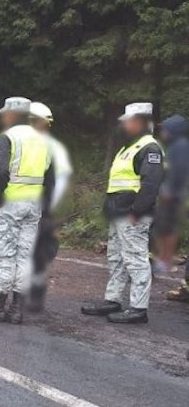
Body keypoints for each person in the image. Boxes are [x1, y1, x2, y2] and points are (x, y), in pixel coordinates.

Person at [0, 97, 53, 325]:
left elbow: (0, 171)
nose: (3, 116)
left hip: (9, 204)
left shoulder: (9, 138)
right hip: (32, 205)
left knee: (5, 255)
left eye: (5, 113)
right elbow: (49, 178)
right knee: (24, 256)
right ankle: (17, 308)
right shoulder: (43, 141)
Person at [81, 103, 164, 324]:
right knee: (116, 258)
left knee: (136, 260)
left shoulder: (149, 148)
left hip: (132, 214)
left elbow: (151, 184)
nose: (125, 125)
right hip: (119, 214)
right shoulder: (129, 147)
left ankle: (138, 308)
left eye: (128, 121)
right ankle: (113, 299)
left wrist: (137, 211)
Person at [26, 102, 73, 312]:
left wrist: (48, 212)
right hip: (26, 207)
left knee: (37, 254)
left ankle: (35, 296)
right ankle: (3, 291)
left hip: (39, 210)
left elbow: (53, 183)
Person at [154, 115, 189, 276]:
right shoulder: (174, 146)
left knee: (168, 228)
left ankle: (165, 262)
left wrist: (169, 191)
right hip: (170, 194)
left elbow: (179, 171)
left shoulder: (180, 146)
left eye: (165, 129)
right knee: (163, 228)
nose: (162, 132)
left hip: (173, 196)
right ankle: (163, 259)